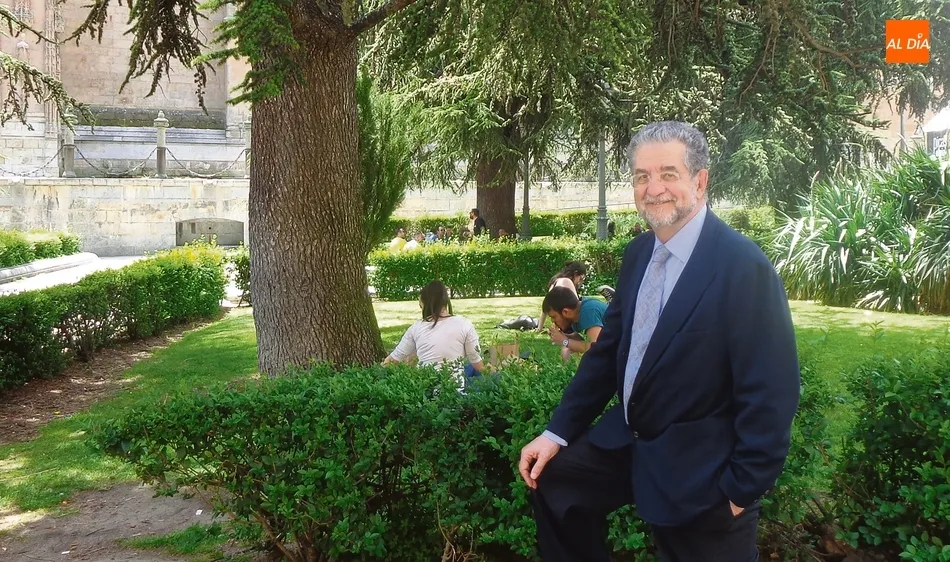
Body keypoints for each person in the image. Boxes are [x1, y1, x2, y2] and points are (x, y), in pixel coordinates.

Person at [518, 121, 801, 562]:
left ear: (700, 180)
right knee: (556, 483)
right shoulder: (638, 254)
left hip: (702, 468)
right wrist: (557, 432)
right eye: (641, 176)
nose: (654, 189)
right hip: (628, 443)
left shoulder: (743, 267)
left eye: (668, 174)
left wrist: (742, 489)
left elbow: (772, 391)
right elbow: (607, 353)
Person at [382, 280, 486, 386]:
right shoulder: (464, 324)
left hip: (426, 388)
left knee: (469, 368)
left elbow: (393, 359)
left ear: (425, 305)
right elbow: (478, 364)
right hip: (454, 388)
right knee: (472, 369)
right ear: (445, 302)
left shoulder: (416, 328)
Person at [542, 287, 607, 362]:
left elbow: (593, 348)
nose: (553, 321)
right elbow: (583, 337)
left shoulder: (589, 312)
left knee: (568, 349)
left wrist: (564, 341)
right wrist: (565, 336)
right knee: (567, 350)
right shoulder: (576, 315)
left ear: (566, 312)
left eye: (554, 317)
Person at [537, 261, 587, 333]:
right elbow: (577, 306)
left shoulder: (555, 282)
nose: (580, 282)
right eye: (581, 278)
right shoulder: (567, 281)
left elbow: (545, 308)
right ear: (576, 274)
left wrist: (539, 327)